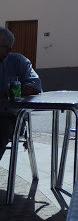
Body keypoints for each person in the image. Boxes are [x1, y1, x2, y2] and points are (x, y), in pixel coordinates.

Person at [0, 27, 42, 160]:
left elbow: (34, 87)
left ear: (8, 50)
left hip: (10, 116)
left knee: (1, 126)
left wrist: (5, 93)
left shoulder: (18, 61)